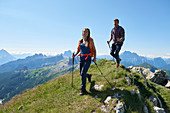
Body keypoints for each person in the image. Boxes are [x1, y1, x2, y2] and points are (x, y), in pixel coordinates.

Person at [72, 28, 96, 95]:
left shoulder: (90, 40)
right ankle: (88, 76)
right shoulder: (80, 41)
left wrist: (94, 58)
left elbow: (94, 49)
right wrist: (75, 55)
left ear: (88, 33)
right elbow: (78, 49)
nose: (85, 33)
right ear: (82, 33)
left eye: (86, 32)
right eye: (84, 32)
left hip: (88, 59)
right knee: (81, 73)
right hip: (81, 58)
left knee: (82, 73)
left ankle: (83, 90)